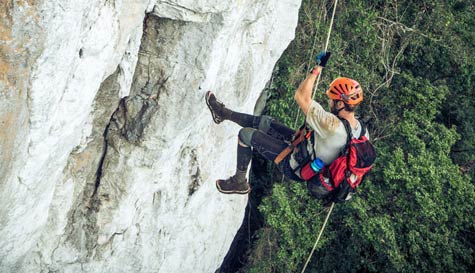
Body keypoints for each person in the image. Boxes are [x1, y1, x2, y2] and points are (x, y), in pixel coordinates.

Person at [206, 52, 367, 195]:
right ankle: (222, 114)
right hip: (305, 147)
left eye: (332, 100)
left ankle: (239, 182)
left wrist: (317, 69)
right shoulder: (361, 130)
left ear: (340, 104)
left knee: (246, 135)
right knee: (265, 123)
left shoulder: (332, 125)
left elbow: (301, 96)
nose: (329, 103)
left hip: (295, 163)